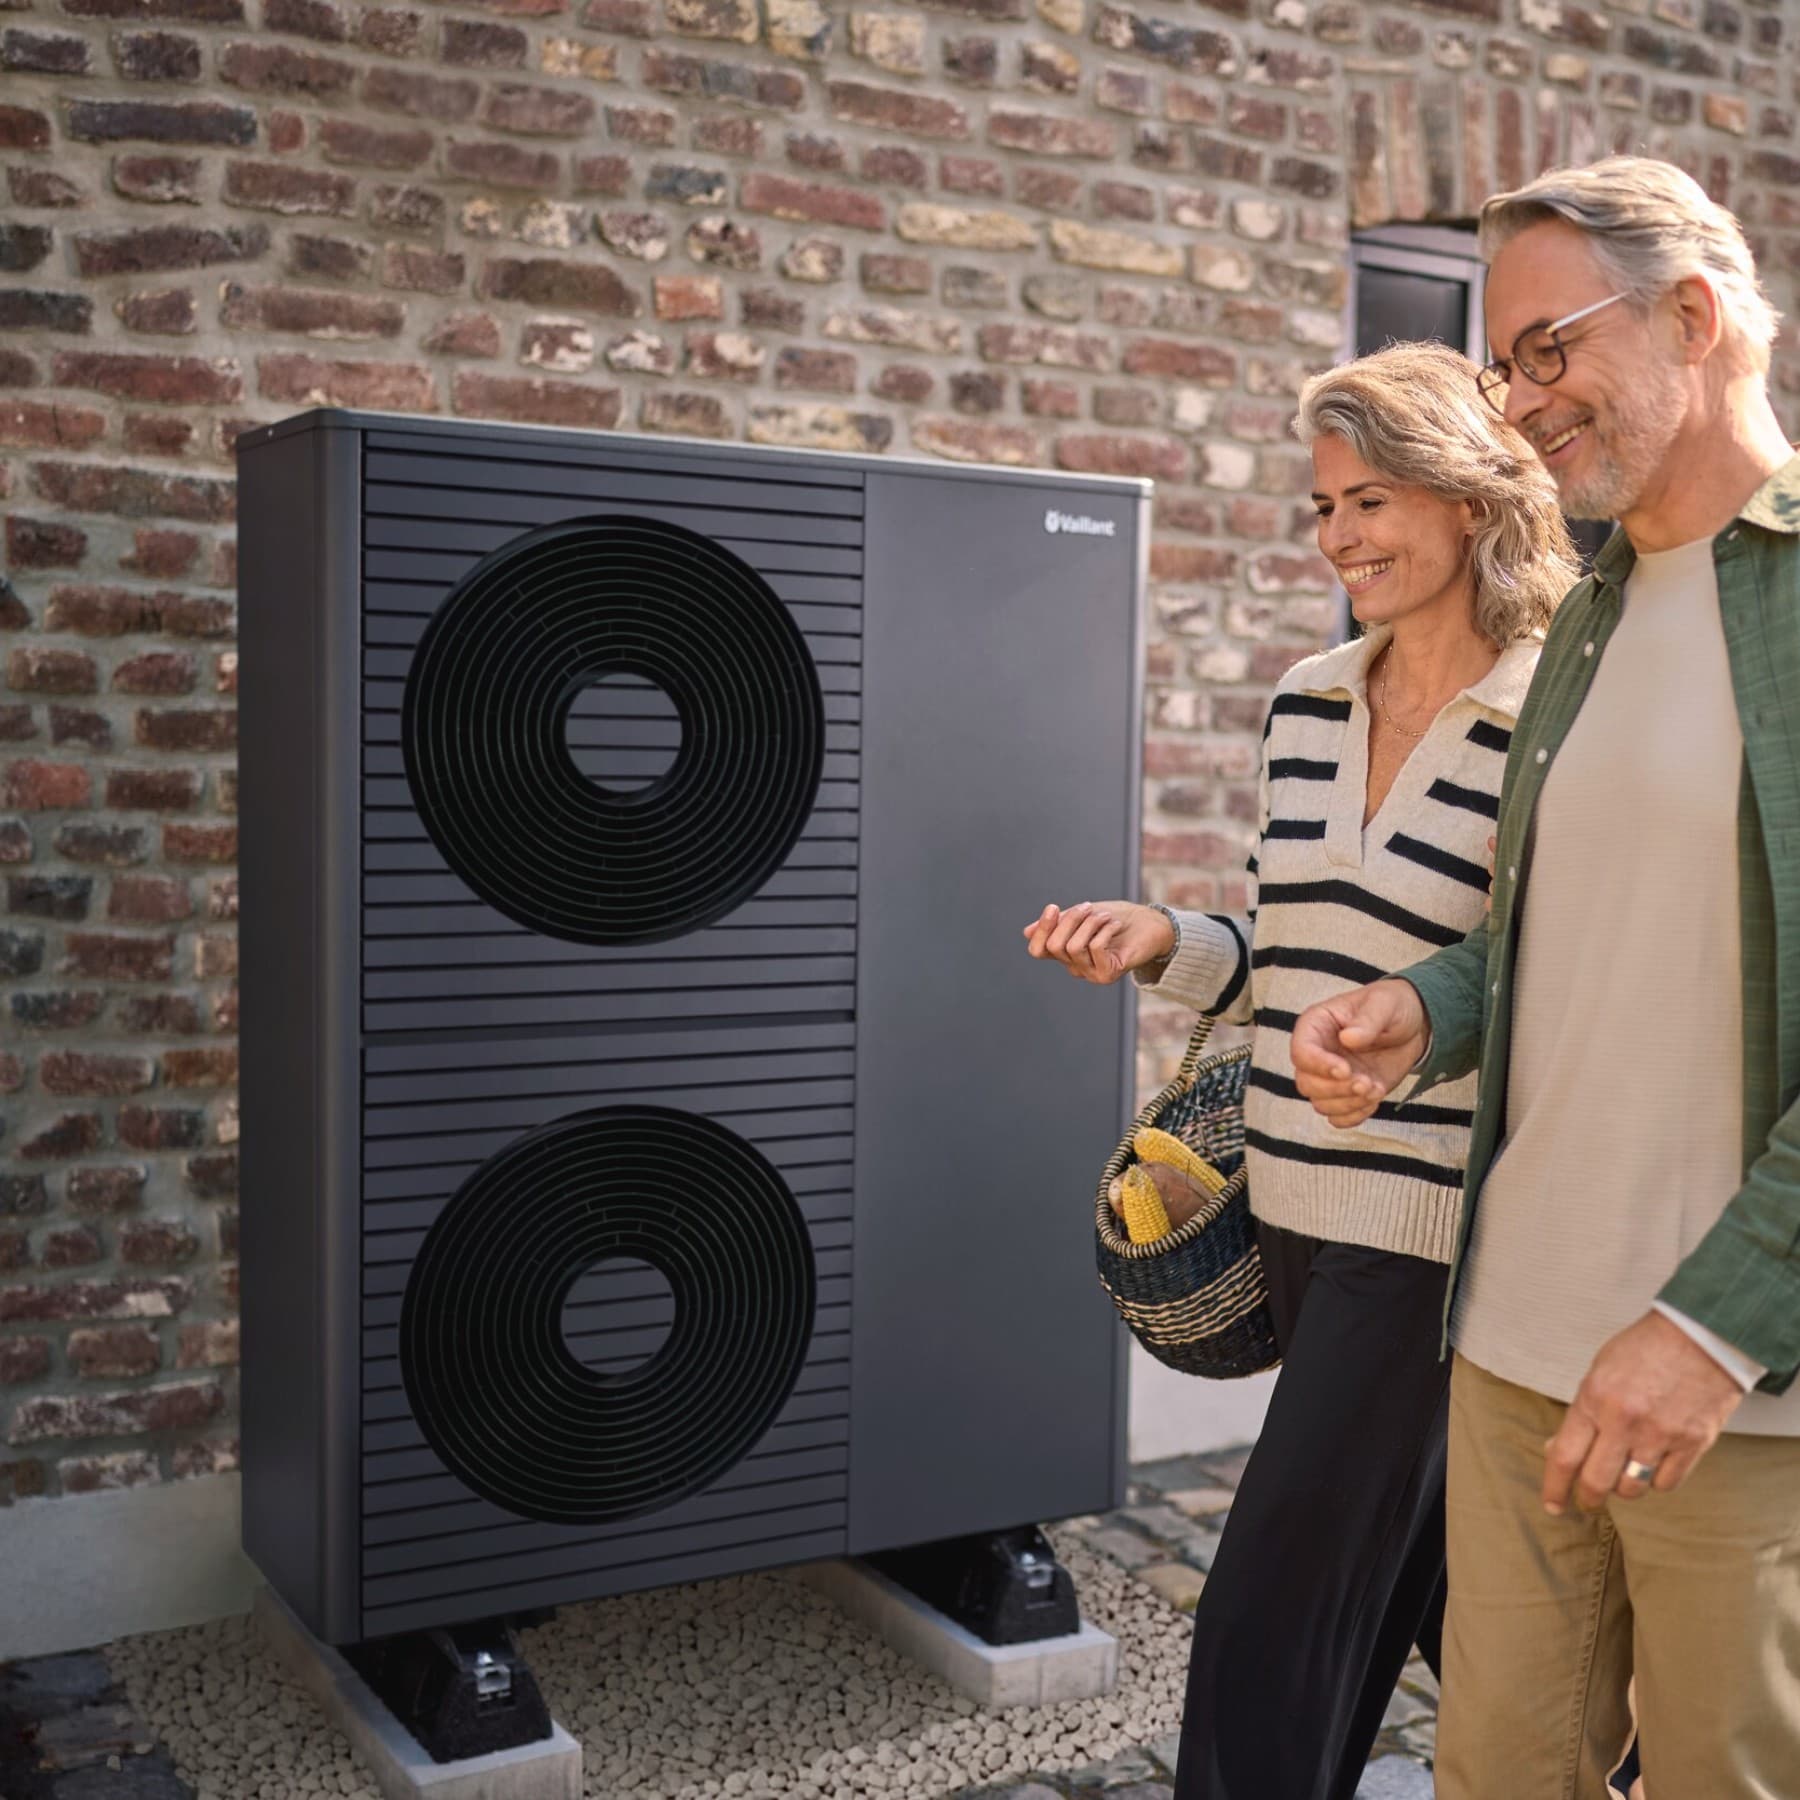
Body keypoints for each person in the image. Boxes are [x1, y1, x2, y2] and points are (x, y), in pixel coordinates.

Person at [1291, 156, 1800, 1800]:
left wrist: (1714, 1331)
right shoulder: (1585, 613)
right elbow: (1551, 937)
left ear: (1696, 317)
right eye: (1505, 363)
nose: (1518, 407)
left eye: (1547, 351)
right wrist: (1423, 1011)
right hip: (1511, 1348)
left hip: (1734, 1395)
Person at [1025, 339, 1578, 1800]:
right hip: (1285, 1203)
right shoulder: (1308, 698)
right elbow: (1290, 951)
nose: (1341, 536)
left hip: (1430, 1230)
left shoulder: (1552, 716)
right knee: (1440, 1580)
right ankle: (1626, 1756)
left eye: (1374, 498)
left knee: (1273, 1610)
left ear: (1469, 499)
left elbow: (1547, 981)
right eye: (1323, 506)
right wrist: (1163, 941)